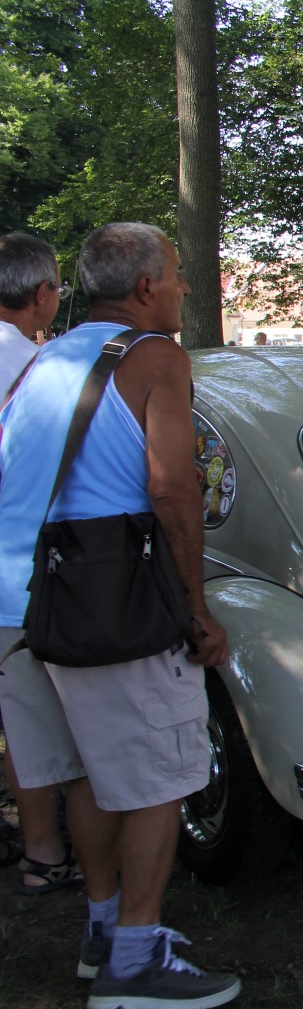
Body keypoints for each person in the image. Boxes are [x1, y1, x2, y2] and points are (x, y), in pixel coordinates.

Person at [0, 222, 238, 1009]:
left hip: (28, 599)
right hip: (114, 598)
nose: (181, 290)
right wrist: (195, 608)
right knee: (159, 780)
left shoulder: (45, 358)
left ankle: (102, 931)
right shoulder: (153, 358)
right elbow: (172, 489)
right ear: (143, 288)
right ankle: (134, 964)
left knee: (87, 773)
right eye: (175, 275)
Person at [0, 232, 82, 895]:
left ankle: (41, 852)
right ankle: (83, 857)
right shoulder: (45, 366)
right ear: (41, 295)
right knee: (68, 728)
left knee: (19, 724)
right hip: (34, 567)